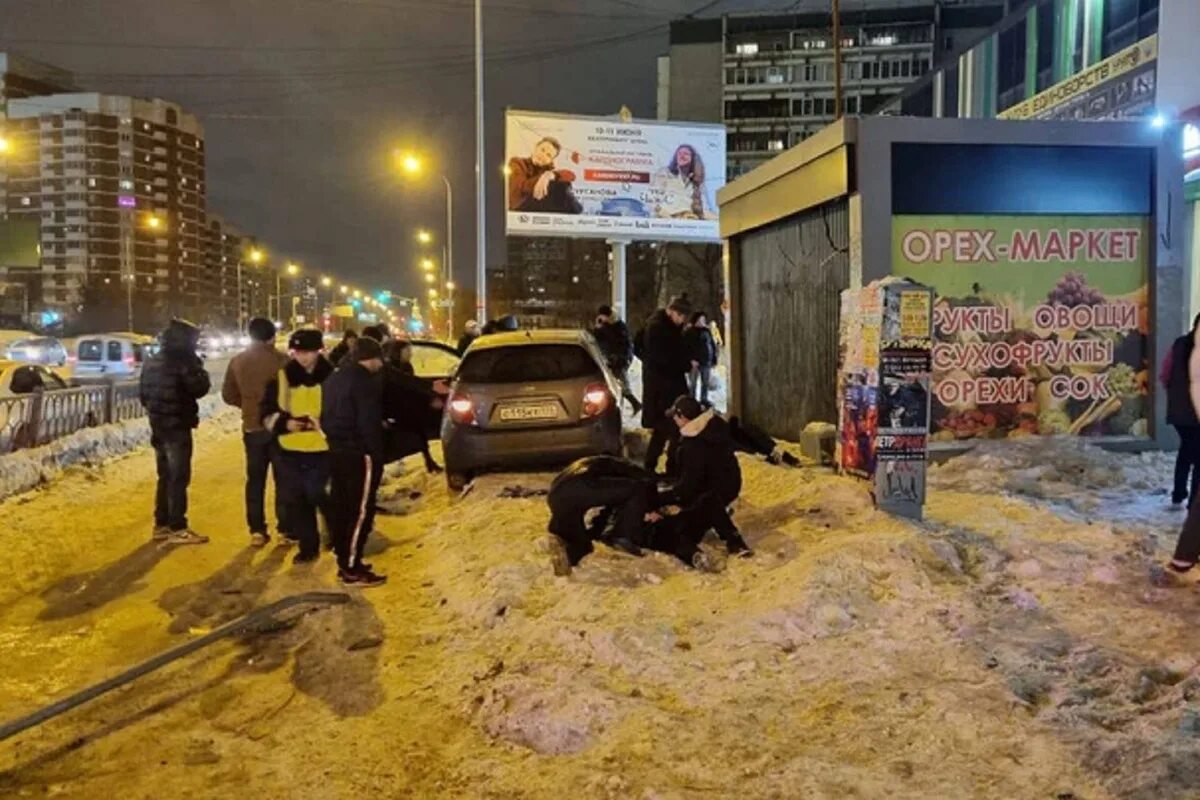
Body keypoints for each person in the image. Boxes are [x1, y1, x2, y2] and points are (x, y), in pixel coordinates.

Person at [260, 330, 334, 565]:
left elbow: (342, 409)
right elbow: (266, 411)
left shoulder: (331, 376)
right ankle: (308, 546)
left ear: (318, 351)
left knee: (318, 493)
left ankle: (334, 533)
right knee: (298, 498)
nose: (302, 358)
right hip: (290, 448)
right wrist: (285, 423)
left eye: (308, 352)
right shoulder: (282, 377)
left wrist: (326, 424)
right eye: (298, 352)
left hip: (323, 447)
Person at [321, 337, 388, 586]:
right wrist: (376, 453)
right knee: (360, 511)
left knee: (342, 507)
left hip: (336, 450)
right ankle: (351, 567)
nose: (381, 365)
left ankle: (345, 558)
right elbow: (367, 422)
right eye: (379, 359)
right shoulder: (364, 383)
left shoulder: (335, 378)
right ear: (370, 359)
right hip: (359, 453)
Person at [139, 319, 211, 545]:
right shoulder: (184, 361)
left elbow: (143, 395)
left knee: (165, 475)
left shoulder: (152, 361)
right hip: (177, 425)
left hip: (158, 425)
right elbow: (199, 388)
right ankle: (178, 526)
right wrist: (199, 368)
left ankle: (161, 524)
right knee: (179, 477)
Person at [222, 317, 289, 546]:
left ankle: (257, 530)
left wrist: (249, 406)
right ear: (272, 337)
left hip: (252, 428)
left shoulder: (237, 361)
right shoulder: (283, 361)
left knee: (255, 480)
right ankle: (285, 529)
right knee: (283, 479)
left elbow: (228, 395)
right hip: (279, 427)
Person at [659, 395, 752, 556]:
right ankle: (719, 515)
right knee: (706, 501)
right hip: (730, 484)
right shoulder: (714, 427)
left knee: (704, 506)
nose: (674, 419)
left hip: (712, 492)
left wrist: (664, 497)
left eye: (675, 416)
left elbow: (689, 485)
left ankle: (733, 540)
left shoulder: (692, 444)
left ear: (683, 417)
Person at [546, 456, 652, 575]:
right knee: (637, 489)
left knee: (583, 546)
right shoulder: (622, 466)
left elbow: (611, 501)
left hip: (555, 495)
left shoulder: (586, 462)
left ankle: (565, 550)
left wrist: (597, 531)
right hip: (581, 485)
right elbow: (640, 483)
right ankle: (623, 537)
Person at [638, 295, 692, 475]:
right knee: (675, 429)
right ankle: (671, 469)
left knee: (662, 431)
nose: (683, 320)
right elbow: (667, 359)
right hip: (666, 390)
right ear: (673, 311)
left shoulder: (655, 324)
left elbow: (638, 345)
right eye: (681, 316)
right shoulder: (660, 329)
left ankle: (650, 467)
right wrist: (685, 364)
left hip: (660, 389)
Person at [382, 339, 445, 474]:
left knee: (421, 435)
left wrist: (430, 397)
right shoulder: (389, 369)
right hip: (394, 409)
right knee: (400, 440)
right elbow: (408, 383)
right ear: (398, 351)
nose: (410, 353)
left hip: (409, 407)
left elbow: (414, 388)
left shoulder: (406, 366)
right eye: (407, 351)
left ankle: (429, 461)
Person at [1165, 314, 1200, 508]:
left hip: (1178, 411)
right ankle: (1194, 501)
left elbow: (1164, 374)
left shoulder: (1179, 344)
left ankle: (1179, 492)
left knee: (1187, 450)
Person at [507, 136, 583, 214]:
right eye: (542, 150)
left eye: (548, 155)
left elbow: (572, 176)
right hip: (519, 205)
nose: (543, 155)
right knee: (559, 187)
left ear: (550, 160)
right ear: (536, 147)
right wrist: (542, 178)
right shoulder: (517, 162)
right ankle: (577, 212)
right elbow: (521, 188)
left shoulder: (547, 171)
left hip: (539, 205)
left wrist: (550, 175)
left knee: (565, 184)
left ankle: (574, 215)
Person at [593, 304, 641, 415]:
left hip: (619, 359)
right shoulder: (605, 325)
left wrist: (622, 358)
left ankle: (634, 404)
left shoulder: (618, 326)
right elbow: (598, 339)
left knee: (621, 383)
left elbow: (623, 343)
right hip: (610, 358)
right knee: (616, 383)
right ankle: (632, 404)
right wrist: (598, 328)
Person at [655, 144, 714, 220]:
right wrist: (667, 218)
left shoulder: (697, 181)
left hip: (691, 220)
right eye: (679, 154)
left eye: (686, 154)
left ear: (693, 159)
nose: (682, 156)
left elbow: (705, 207)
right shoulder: (664, 173)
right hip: (667, 219)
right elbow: (653, 200)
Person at [683, 311, 717, 405]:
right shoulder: (689, 332)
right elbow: (685, 347)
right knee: (693, 383)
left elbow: (712, 345)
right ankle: (691, 401)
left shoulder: (706, 331)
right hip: (695, 363)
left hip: (706, 361)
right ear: (696, 320)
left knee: (705, 383)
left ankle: (704, 399)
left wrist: (713, 358)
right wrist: (691, 359)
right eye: (701, 319)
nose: (703, 321)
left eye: (704, 319)